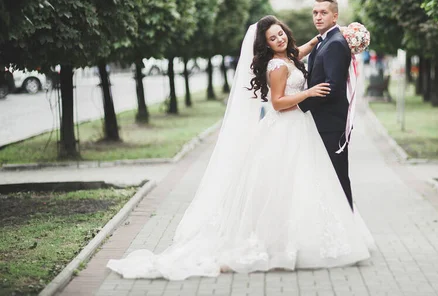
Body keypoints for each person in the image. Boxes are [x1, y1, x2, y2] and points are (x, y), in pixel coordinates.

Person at [106, 15, 372, 280]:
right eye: (273, 38)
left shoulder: (289, 56)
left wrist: (325, 37)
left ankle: (297, 241)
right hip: (285, 127)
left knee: (299, 182)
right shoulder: (277, 66)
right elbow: (278, 102)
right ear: (266, 44)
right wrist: (308, 93)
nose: (279, 39)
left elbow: (299, 51)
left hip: (298, 127)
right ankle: (278, 245)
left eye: (281, 34)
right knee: (282, 184)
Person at [299, 0, 353, 209]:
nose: (318, 17)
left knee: (338, 177)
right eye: (315, 13)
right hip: (322, 122)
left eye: (324, 13)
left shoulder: (336, 43)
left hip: (331, 124)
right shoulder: (324, 41)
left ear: (335, 16)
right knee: (326, 178)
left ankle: (349, 224)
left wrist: (301, 104)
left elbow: (332, 88)